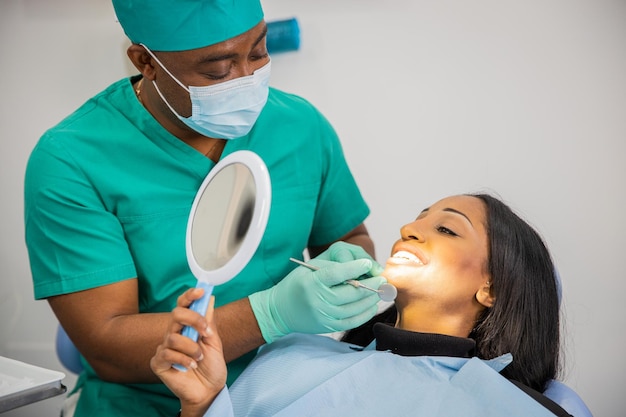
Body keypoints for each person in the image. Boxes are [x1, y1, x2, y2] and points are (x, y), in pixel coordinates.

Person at [23, 1, 385, 416]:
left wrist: (353, 265)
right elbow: (107, 345)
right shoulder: (72, 159)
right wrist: (270, 314)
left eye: (259, 51)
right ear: (147, 62)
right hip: (149, 403)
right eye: (218, 70)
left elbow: (348, 236)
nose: (248, 78)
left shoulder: (300, 124)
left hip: (292, 393)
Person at [152, 193, 573, 417]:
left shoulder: (515, 406)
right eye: (417, 218)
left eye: (446, 228)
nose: (409, 228)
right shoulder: (290, 356)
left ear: (492, 289)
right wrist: (203, 404)